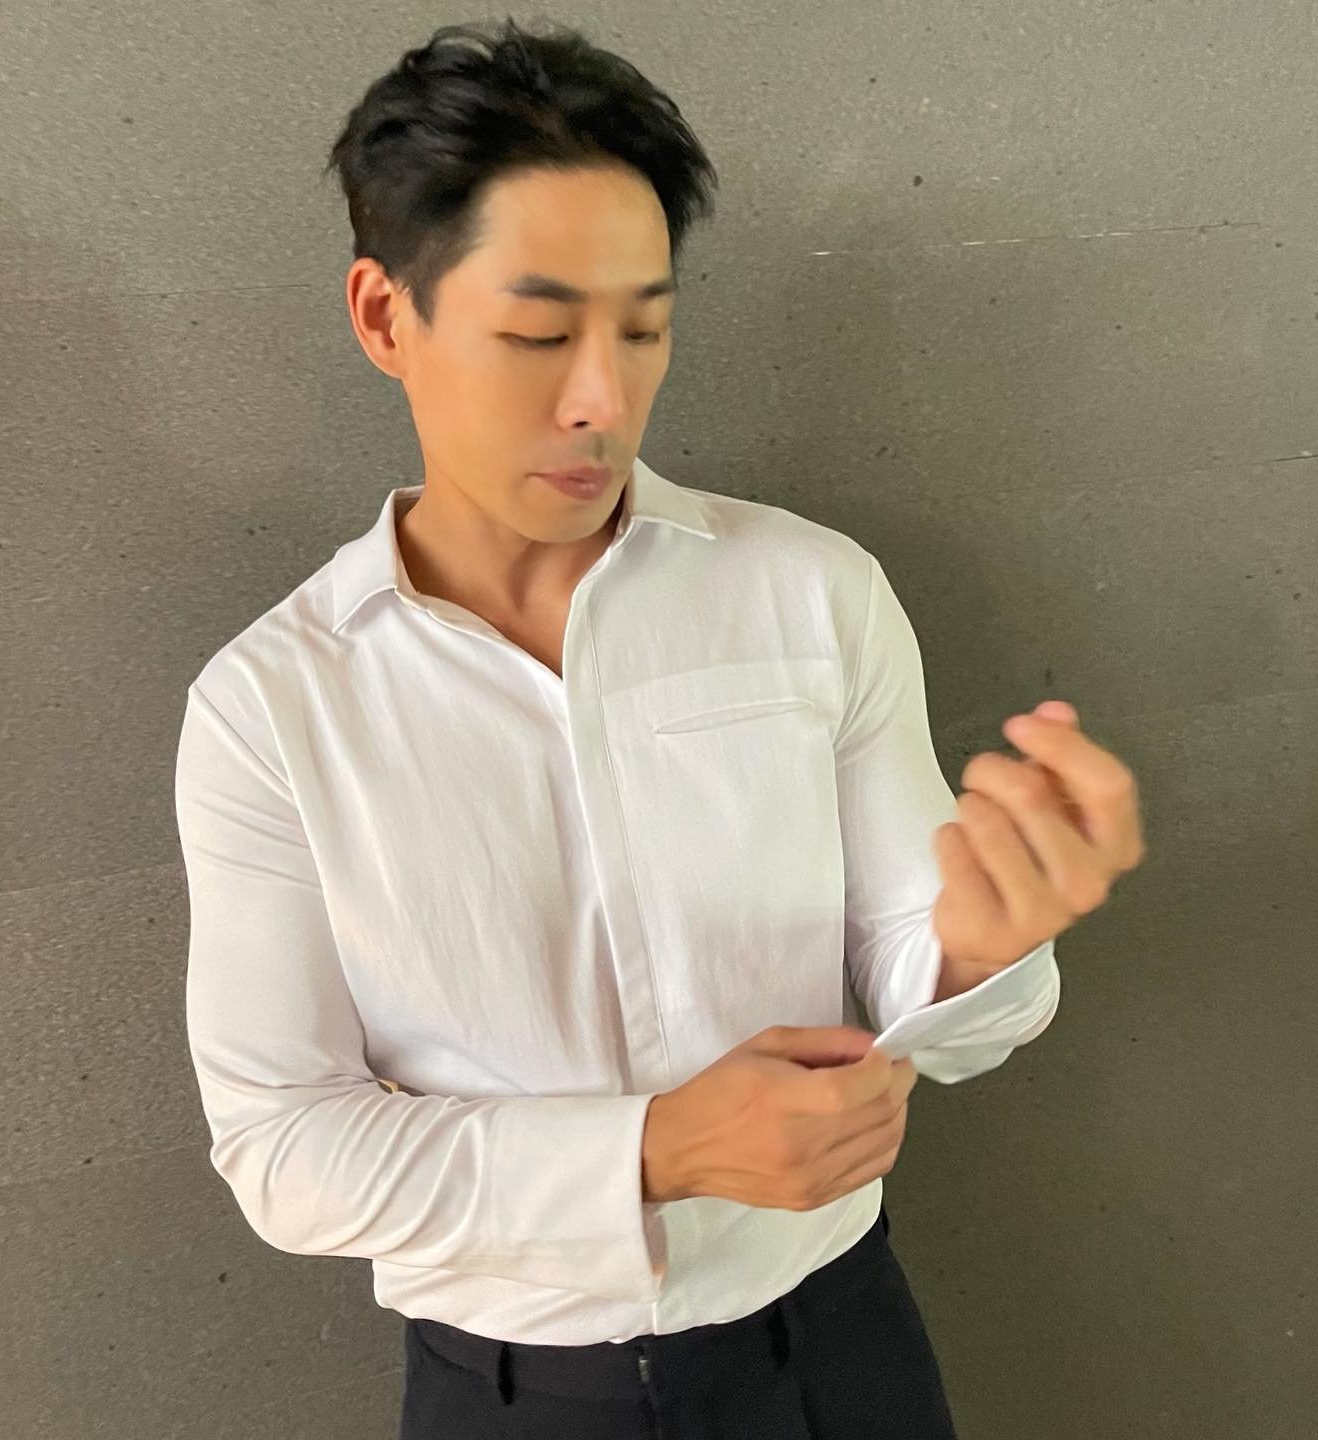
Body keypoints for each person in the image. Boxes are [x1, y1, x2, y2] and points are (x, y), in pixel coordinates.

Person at [174, 18, 1061, 1438]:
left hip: (836, 1354)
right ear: (385, 317)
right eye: (539, 334)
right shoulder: (274, 707)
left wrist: (982, 937)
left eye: (643, 328)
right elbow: (286, 1148)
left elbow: (922, 976)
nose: (603, 398)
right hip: (511, 1394)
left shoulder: (811, 593)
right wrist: (651, 1150)